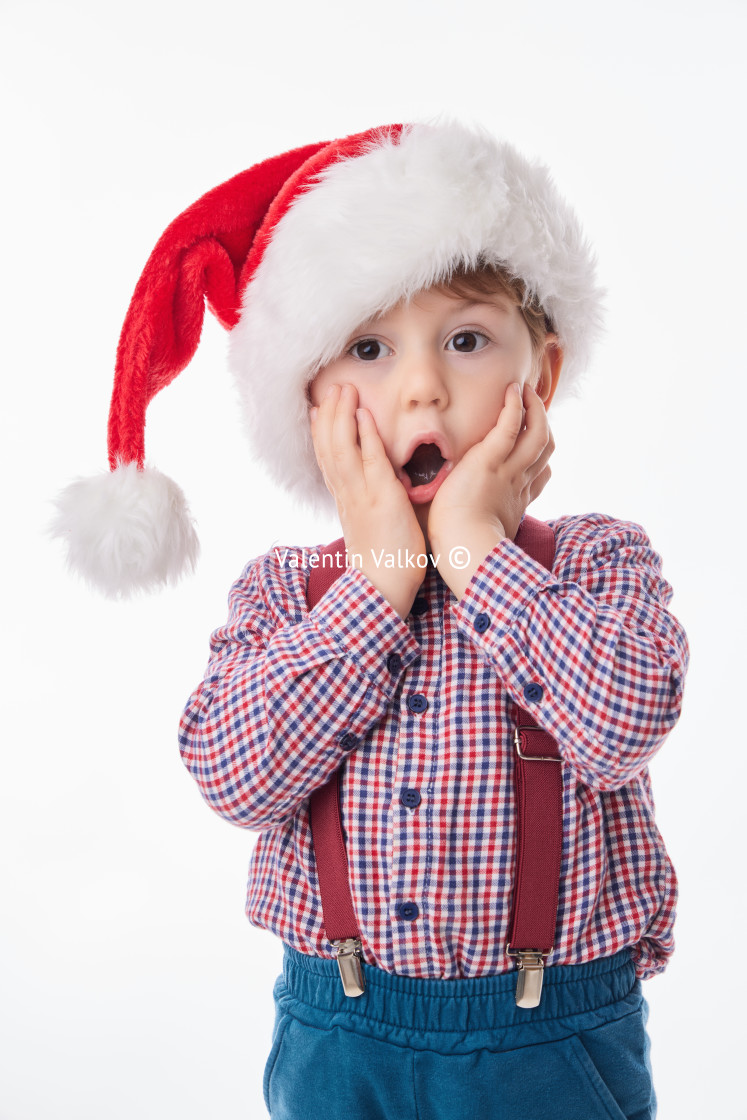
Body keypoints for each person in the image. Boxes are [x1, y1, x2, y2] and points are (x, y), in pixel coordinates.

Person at [52, 121, 689, 1119]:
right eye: (369, 347)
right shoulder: (283, 593)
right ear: (311, 400)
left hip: (553, 1039)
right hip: (339, 1037)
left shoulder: (599, 562)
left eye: (467, 339)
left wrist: (476, 550)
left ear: (544, 377)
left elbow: (622, 721)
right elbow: (235, 775)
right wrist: (384, 577)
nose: (422, 384)